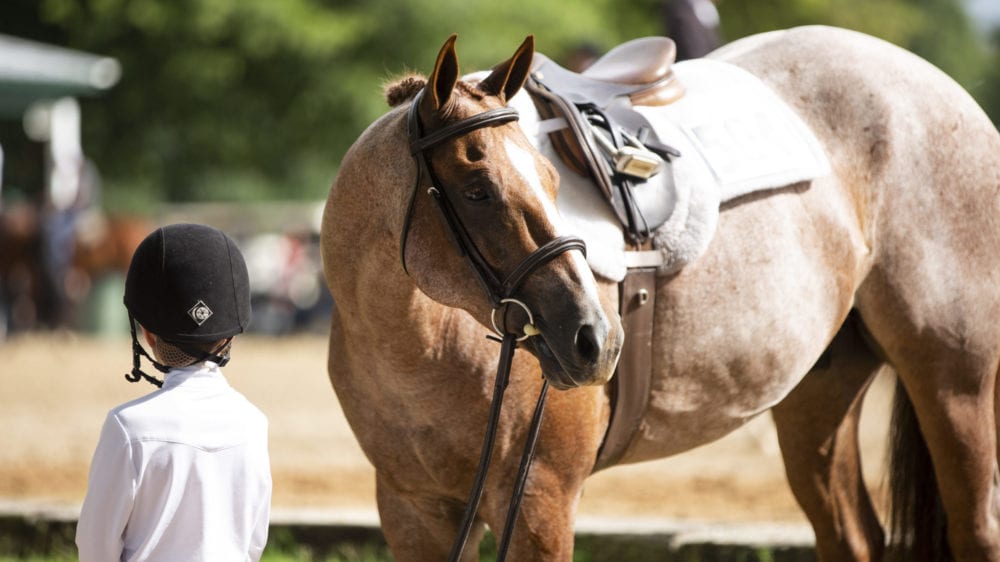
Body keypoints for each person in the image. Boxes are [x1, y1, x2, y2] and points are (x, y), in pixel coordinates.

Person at [76, 223, 271, 562]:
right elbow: (254, 543)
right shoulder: (254, 424)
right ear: (230, 336)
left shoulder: (128, 427)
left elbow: (95, 548)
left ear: (147, 334)